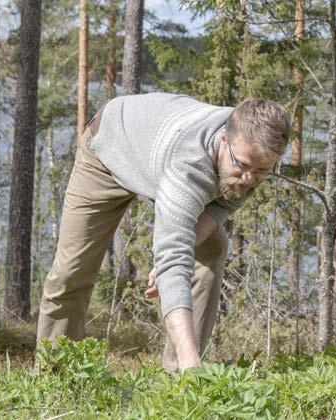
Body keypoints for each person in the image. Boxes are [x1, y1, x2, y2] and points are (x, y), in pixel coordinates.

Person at [36, 93, 290, 371]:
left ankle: (179, 378)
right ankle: (54, 377)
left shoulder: (251, 143)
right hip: (110, 150)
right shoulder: (189, 165)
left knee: (213, 246)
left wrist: (180, 250)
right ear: (223, 140)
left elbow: (221, 207)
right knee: (71, 271)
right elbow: (173, 264)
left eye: (262, 170)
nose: (249, 179)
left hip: (157, 156)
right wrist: (169, 263)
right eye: (241, 166)